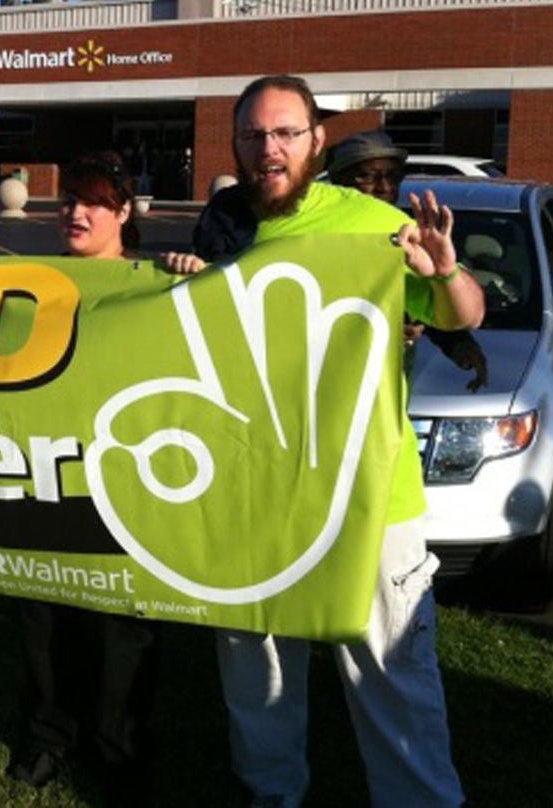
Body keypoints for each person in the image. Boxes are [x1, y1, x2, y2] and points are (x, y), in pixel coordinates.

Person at [168, 76, 482, 807]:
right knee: (258, 667)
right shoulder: (222, 227)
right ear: (236, 146)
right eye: (253, 136)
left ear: (315, 140)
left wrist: (447, 270)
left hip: (369, 495)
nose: (268, 149)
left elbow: (463, 315)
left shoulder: (372, 223)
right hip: (253, 489)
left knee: (392, 674)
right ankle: (270, 795)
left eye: (284, 133)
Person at [0, 152, 159, 795]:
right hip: (38, 473)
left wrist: (193, 272)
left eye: (95, 202)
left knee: (119, 627)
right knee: (42, 619)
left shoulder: (156, 281)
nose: (77, 212)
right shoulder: (29, 279)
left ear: (124, 212)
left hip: (121, 481)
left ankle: (113, 749)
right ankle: (48, 736)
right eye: (70, 200)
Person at [327, 130, 489, 390]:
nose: (384, 187)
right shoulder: (317, 234)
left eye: (392, 176)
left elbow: (444, 306)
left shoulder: (409, 237)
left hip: (385, 399)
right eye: (367, 176)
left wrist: (458, 343)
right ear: (338, 180)